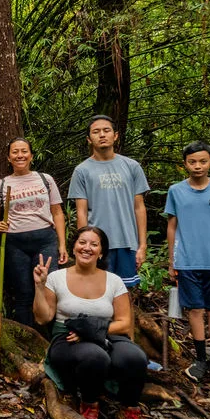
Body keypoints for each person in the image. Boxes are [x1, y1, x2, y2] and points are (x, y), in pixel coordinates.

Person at [33, 226, 151, 419]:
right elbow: (43, 318)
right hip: (67, 338)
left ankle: (130, 412)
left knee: (135, 358)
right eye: (82, 242)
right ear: (74, 247)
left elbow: (124, 324)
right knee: (95, 357)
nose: (87, 248)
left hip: (108, 335)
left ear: (101, 252)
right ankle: (89, 407)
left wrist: (91, 331)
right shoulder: (56, 277)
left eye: (94, 244)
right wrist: (40, 287)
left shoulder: (114, 281)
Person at [165, 141, 210, 389]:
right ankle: (200, 360)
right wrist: (171, 260)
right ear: (184, 164)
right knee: (195, 310)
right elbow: (172, 226)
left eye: (203, 161)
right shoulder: (176, 191)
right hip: (187, 261)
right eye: (192, 162)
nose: (197, 166)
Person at [0, 137, 68, 327]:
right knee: (23, 292)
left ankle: (50, 337)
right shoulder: (2, 184)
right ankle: (28, 336)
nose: (20, 155)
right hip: (15, 244)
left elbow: (57, 213)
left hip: (45, 241)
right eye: (15, 152)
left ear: (31, 155)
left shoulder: (45, 179)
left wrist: (62, 244)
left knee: (48, 288)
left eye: (24, 151)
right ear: (8, 158)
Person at [69, 115, 148, 290]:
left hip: (127, 242)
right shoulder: (82, 171)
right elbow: (81, 212)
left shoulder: (132, 166)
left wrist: (142, 245)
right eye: (96, 132)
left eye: (107, 130)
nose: (102, 135)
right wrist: (84, 244)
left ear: (116, 135)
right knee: (97, 291)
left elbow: (139, 207)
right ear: (89, 139)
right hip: (97, 244)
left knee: (125, 292)